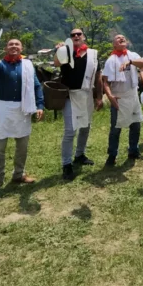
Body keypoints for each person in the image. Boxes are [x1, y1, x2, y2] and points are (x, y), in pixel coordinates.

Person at [0, 37, 45, 191]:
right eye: (10, 44)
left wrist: (39, 105)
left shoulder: (28, 65)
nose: (14, 46)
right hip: (4, 109)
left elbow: (37, 86)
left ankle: (18, 174)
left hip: (23, 108)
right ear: (5, 48)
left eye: (17, 44)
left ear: (21, 48)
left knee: (22, 146)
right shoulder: (0, 65)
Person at [54, 28, 103, 182]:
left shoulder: (93, 54)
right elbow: (56, 64)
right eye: (72, 35)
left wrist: (99, 97)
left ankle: (79, 154)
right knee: (70, 131)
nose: (76, 36)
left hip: (87, 95)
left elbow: (98, 76)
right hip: (70, 95)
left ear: (84, 37)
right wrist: (59, 50)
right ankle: (66, 164)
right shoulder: (65, 52)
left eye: (78, 34)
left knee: (85, 126)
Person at [101, 34, 143, 166]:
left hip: (133, 95)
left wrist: (131, 62)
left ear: (126, 42)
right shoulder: (111, 60)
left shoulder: (132, 55)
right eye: (118, 38)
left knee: (135, 125)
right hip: (119, 97)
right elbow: (105, 81)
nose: (121, 38)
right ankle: (112, 155)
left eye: (123, 37)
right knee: (116, 128)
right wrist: (110, 97)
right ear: (114, 44)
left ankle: (133, 150)